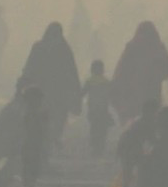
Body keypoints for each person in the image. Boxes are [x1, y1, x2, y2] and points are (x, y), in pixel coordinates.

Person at [17, 23, 83, 155]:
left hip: (58, 95)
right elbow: (30, 68)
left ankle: (49, 146)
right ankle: (44, 149)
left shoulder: (63, 50)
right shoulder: (40, 48)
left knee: (56, 121)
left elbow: (71, 73)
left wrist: (75, 93)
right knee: (41, 122)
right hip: (40, 94)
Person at [110, 21, 168, 123]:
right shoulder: (158, 46)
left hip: (135, 88)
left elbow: (122, 69)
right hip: (152, 89)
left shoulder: (132, 46)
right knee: (152, 113)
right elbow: (165, 69)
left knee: (138, 114)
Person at [115, 99, 161, 187]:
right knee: (140, 163)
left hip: (126, 144)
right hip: (131, 145)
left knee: (128, 167)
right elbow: (152, 138)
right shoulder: (148, 121)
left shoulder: (139, 119)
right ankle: (141, 186)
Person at [84, 59, 114, 158]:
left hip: (92, 109)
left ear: (92, 69)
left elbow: (82, 93)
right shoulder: (106, 82)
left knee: (94, 128)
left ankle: (94, 147)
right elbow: (111, 95)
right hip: (103, 109)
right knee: (102, 129)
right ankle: (100, 148)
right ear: (102, 70)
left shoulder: (89, 81)